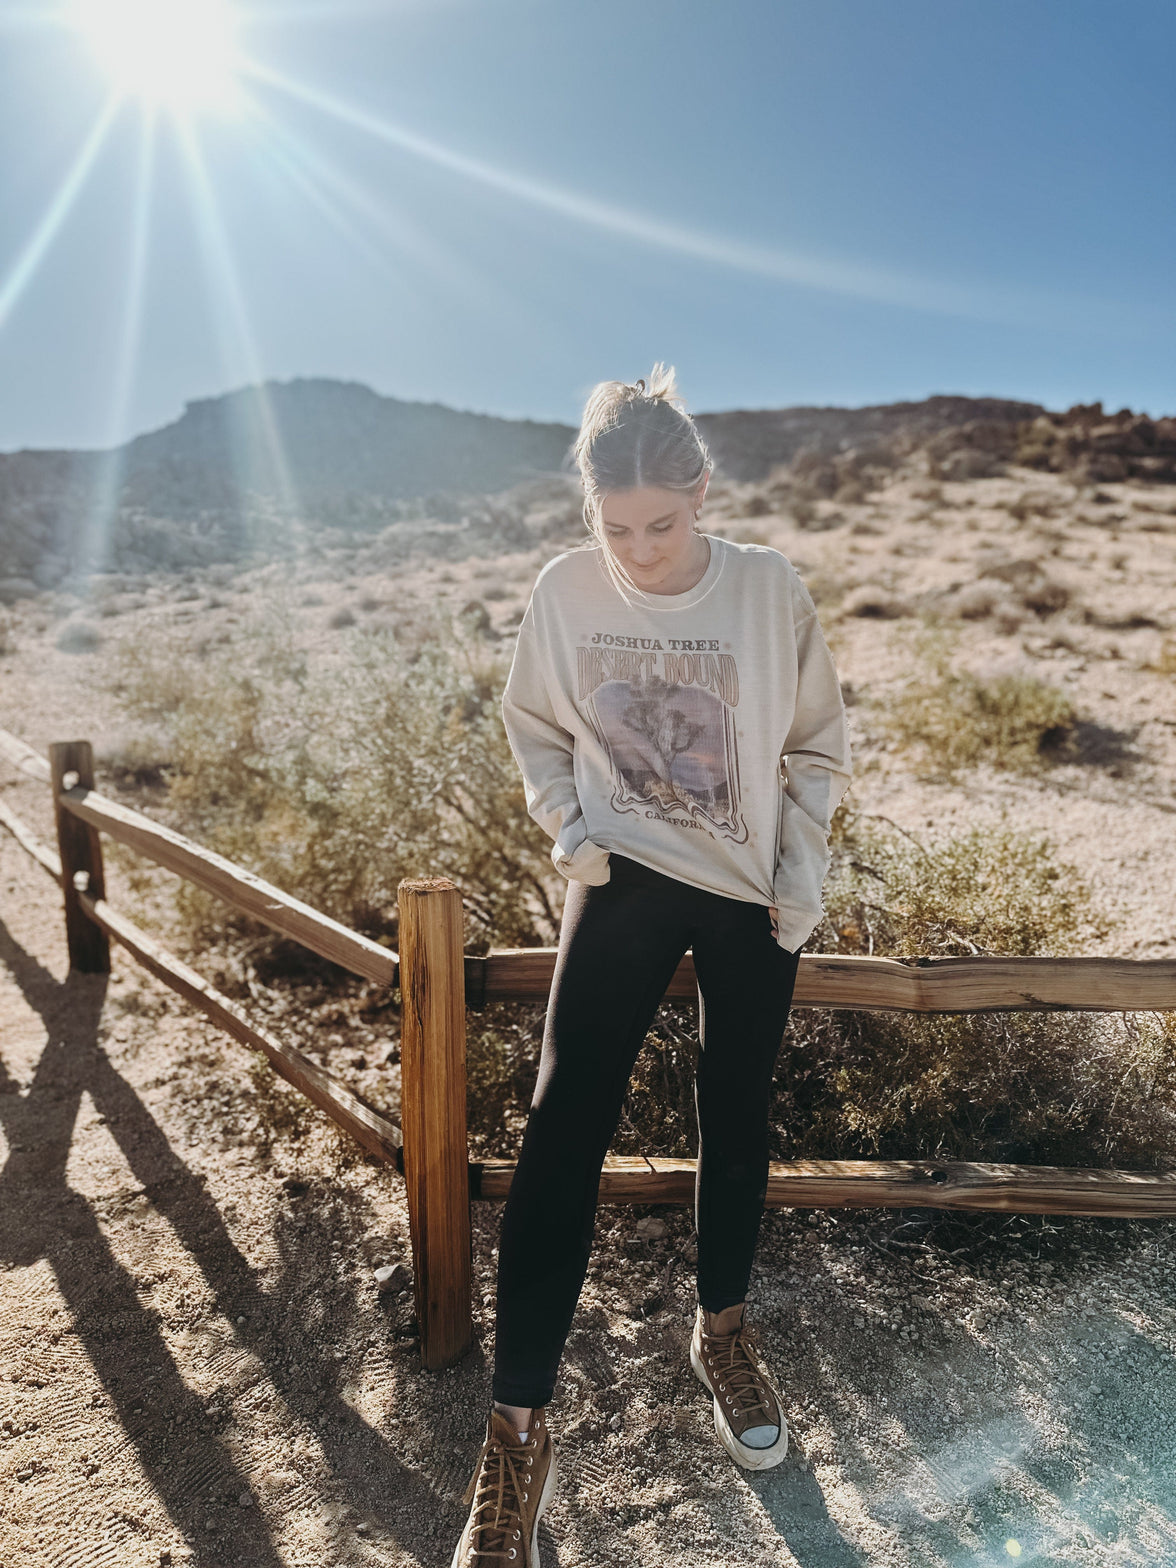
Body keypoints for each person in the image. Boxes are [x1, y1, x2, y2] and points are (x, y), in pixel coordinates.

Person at [451, 364, 853, 1567]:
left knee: (735, 1114)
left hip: (746, 891)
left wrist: (800, 873)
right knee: (561, 1122)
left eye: (662, 525)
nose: (639, 550)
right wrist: (568, 829)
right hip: (621, 876)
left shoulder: (768, 588)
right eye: (614, 527)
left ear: (702, 492)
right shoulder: (566, 592)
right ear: (588, 513)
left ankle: (719, 1329)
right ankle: (518, 1430)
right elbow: (534, 722)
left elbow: (816, 742)